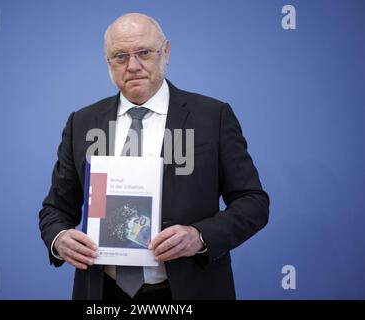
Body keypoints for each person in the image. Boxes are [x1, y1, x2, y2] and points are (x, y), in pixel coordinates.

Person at [39, 13, 269, 300]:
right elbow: (55, 210)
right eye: (120, 56)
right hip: (102, 292)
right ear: (107, 63)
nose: (133, 66)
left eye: (144, 53)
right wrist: (60, 239)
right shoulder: (82, 123)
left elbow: (253, 202)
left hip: (188, 289)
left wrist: (199, 237)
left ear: (166, 53)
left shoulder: (213, 117)